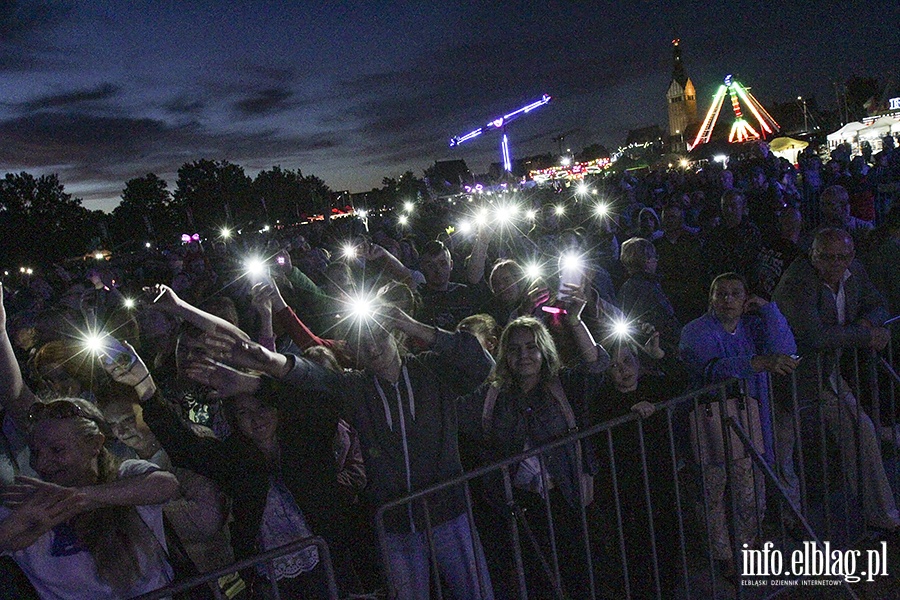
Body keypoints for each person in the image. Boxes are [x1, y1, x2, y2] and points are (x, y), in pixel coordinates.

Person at [187, 298, 496, 600]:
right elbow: (310, 378)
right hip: (397, 524)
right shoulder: (356, 389)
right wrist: (255, 375)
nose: (372, 347)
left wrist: (413, 325)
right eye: (361, 342)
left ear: (394, 334)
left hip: (450, 512)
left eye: (378, 335)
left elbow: (481, 365)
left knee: (474, 590)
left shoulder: (432, 372)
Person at [457, 289, 609, 599]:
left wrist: (576, 321)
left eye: (531, 347)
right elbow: (459, 415)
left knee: (577, 574)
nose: (523, 356)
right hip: (520, 505)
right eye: (514, 350)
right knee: (536, 581)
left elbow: (596, 366)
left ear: (544, 350)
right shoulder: (492, 395)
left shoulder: (562, 385)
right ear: (504, 355)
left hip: (564, 496)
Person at [772, 228, 900, 533]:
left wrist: (868, 322)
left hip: (824, 372)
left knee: (861, 430)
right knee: (781, 450)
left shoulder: (853, 271)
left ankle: (883, 515)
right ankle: (790, 520)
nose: (835, 264)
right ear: (813, 256)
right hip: (784, 374)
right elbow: (813, 335)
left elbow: (879, 303)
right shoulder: (797, 281)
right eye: (826, 257)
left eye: (841, 257)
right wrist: (866, 335)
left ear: (851, 256)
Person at [679, 273, 798, 575]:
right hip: (710, 421)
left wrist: (769, 310)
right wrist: (757, 363)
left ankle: (748, 541)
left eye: (735, 294)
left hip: (752, 415)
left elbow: (787, 348)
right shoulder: (695, 331)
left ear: (746, 300)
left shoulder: (753, 327)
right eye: (721, 294)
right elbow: (710, 369)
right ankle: (722, 554)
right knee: (712, 491)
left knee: (752, 487)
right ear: (711, 297)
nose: (728, 300)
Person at [0, 398, 177, 599]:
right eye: (35, 452)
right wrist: (10, 530)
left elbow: (166, 484)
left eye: (57, 450)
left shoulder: (124, 476)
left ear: (95, 444)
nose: (41, 463)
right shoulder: (27, 503)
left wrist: (81, 499)